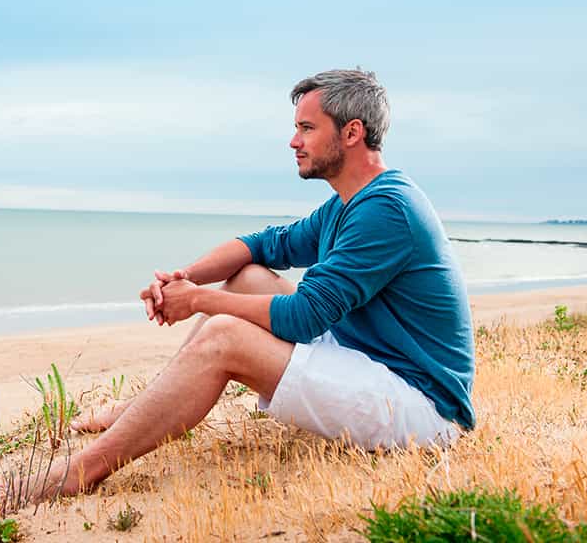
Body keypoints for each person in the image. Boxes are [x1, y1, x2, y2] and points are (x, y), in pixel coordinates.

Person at [35, 69, 475, 501]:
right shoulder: (349, 203)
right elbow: (264, 245)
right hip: (368, 360)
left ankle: (81, 471)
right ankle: (141, 409)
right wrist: (184, 279)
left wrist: (199, 301)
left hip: (419, 407)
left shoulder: (386, 210)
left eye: (306, 127)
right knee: (247, 279)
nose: (294, 141)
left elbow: (305, 317)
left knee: (224, 335)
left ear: (352, 132)